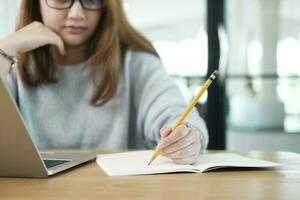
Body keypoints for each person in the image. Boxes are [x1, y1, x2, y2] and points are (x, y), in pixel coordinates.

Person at [0, 0, 208, 165]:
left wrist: (189, 137)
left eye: (92, 0)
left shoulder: (137, 64)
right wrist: (3, 51)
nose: (76, 14)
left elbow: (175, 113)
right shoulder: (11, 65)